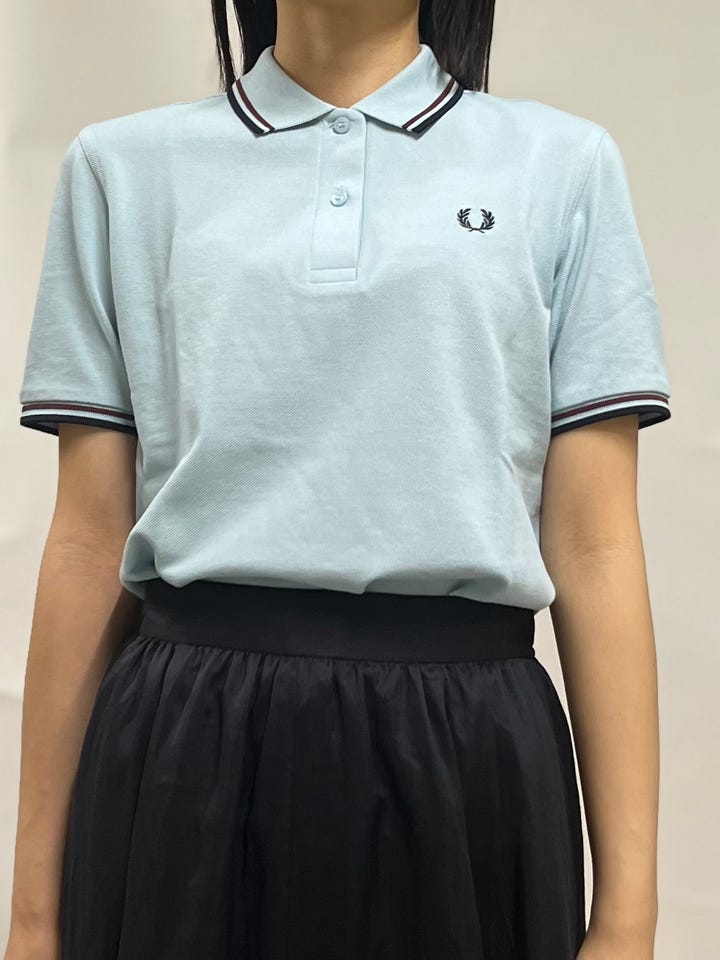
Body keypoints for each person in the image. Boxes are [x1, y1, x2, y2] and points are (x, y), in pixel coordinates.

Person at [6, 1, 671, 958]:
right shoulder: (122, 168)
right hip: (186, 746)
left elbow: (595, 546)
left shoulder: (562, 165)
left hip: (467, 749)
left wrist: (629, 915)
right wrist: (32, 918)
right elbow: (86, 539)